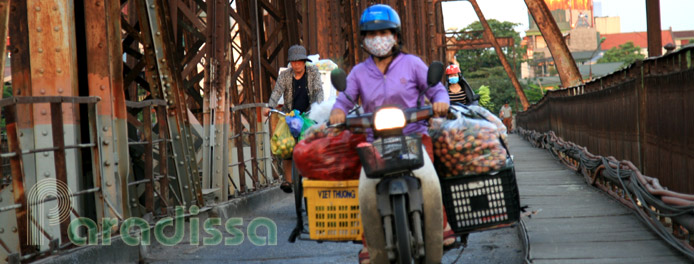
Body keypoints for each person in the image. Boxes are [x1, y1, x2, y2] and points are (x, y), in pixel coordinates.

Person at [328, 4, 455, 263]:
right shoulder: (359, 73)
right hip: (377, 143)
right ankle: (370, 245)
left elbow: (437, 90)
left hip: (414, 136)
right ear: (364, 40)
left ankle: (441, 226)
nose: (378, 40)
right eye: (371, 35)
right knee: (366, 190)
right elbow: (344, 100)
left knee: (429, 181)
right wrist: (338, 112)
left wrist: (441, 102)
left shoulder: (413, 64)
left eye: (383, 33)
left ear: (396, 36)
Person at [264, 45, 324, 193]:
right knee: (286, 146)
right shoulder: (285, 76)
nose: (297, 64)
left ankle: (313, 175)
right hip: (290, 115)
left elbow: (318, 91)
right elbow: (277, 91)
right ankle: (288, 180)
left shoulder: (313, 72)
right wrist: (269, 106)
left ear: (304, 62)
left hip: (308, 114)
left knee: (311, 145)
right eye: (294, 61)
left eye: (300, 61)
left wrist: (319, 107)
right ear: (290, 63)